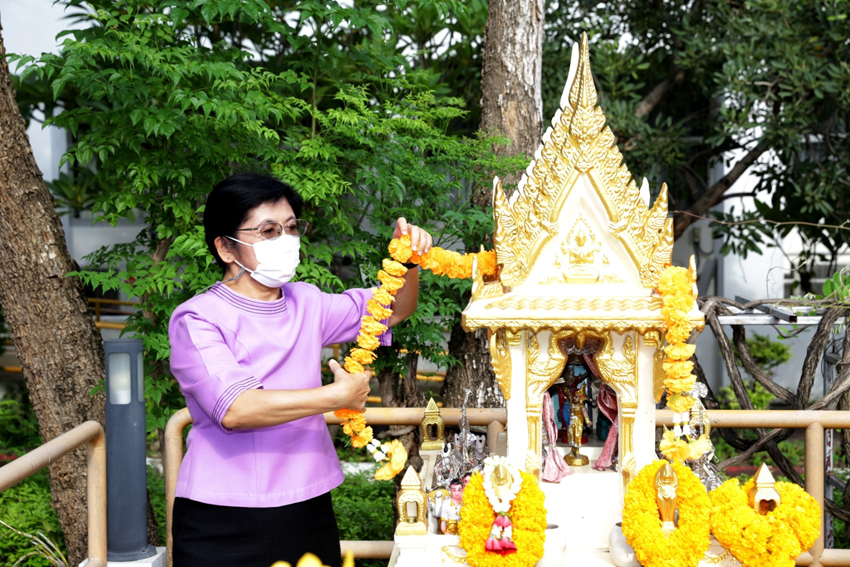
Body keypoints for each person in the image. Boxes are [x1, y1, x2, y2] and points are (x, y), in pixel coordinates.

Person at [168, 172, 433, 567]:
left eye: (291, 228)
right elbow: (235, 409)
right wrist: (336, 396)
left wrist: (407, 260)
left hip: (308, 505)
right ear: (225, 247)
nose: (286, 239)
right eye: (268, 231)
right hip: (224, 516)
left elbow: (394, 308)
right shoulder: (197, 318)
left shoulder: (307, 301)